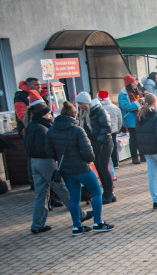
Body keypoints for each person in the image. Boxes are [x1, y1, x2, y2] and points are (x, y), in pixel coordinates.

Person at [45, 101, 110, 236]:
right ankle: (97, 222)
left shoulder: (52, 130)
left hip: (65, 169)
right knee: (96, 191)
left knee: (74, 197)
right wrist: (89, 159)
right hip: (81, 167)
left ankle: (77, 226)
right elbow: (88, 152)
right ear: (74, 115)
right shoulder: (77, 129)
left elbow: (49, 152)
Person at [26, 102, 71, 234]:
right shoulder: (42, 129)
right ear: (43, 114)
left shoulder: (31, 127)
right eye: (48, 113)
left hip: (34, 162)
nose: (50, 115)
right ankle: (79, 214)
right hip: (46, 162)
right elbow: (47, 148)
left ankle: (37, 224)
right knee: (61, 188)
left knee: (41, 194)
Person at [75, 91, 115, 204]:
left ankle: (109, 192)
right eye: (78, 104)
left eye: (81, 103)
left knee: (103, 167)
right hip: (96, 143)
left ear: (87, 102)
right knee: (99, 168)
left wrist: (99, 141)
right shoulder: (85, 113)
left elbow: (107, 128)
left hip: (104, 144)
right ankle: (106, 192)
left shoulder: (98, 110)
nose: (79, 106)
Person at [118, 75, 144, 163]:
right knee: (134, 139)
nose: (135, 84)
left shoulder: (136, 92)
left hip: (139, 117)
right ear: (129, 84)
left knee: (141, 138)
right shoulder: (122, 95)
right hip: (130, 119)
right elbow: (126, 106)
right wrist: (138, 103)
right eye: (133, 83)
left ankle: (142, 155)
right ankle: (135, 157)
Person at [98, 91, 122, 174]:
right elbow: (120, 119)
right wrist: (118, 128)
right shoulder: (114, 107)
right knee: (114, 146)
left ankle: (108, 165)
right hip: (114, 129)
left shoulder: (98, 108)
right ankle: (116, 163)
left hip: (102, 131)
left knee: (105, 148)